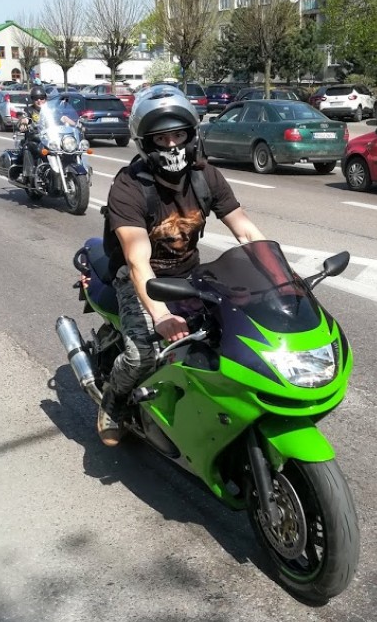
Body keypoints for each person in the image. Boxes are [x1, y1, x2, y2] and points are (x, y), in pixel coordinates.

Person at [96, 84, 266, 446]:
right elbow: (137, 259)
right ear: (145, 143)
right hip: (140, 278)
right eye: (161, 138)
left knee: (236, 333)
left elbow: (245, 230)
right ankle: (113, 400)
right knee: (142, 354)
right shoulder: (129, 186)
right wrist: (160, 316)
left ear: (192, 134)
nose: (172, 145)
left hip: (191, 273)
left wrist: (280, 275)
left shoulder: (206, 176)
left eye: (178, 135)